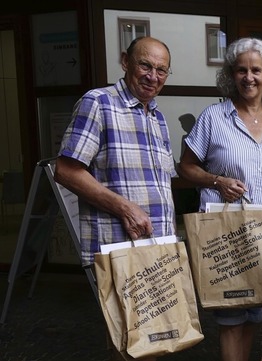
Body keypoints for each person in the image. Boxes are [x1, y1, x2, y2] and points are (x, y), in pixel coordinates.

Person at [177, 37, 262, 361]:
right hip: (225, 234)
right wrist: (217, 180)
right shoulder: (213, 118)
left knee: (254, 313)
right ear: (231, 75)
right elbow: (186, 167)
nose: (249, 77)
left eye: (256, 70)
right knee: (230, 316)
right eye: (241, 70)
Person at [54, 36, 174, 361]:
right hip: (118, 247)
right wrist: (125, 207)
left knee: (156, 340)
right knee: (128, 345)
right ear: (125, 62)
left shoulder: (156, 116)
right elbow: (65, 171)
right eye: (145, 65)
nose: (153, 76)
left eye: (161, 70)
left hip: (156, 248)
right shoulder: (99, 102)